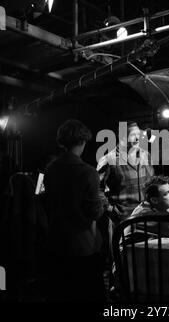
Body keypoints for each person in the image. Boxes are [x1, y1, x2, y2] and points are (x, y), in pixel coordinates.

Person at [44, 119, 105, 301]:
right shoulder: (88, 172)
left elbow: (47, 202)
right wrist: (101, 201)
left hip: (57, 242)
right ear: (83, 141)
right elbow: (94, 213)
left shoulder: (50, 169)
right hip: (83, 244)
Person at [96, 121, 155, 224]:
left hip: (145, 216)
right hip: (121, 220)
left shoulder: (145, 155)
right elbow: (97, 190)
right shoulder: (108, 160)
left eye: (138, 134)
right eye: (133, 135)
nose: (137, 138)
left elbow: (151, 182)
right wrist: (111, 210)